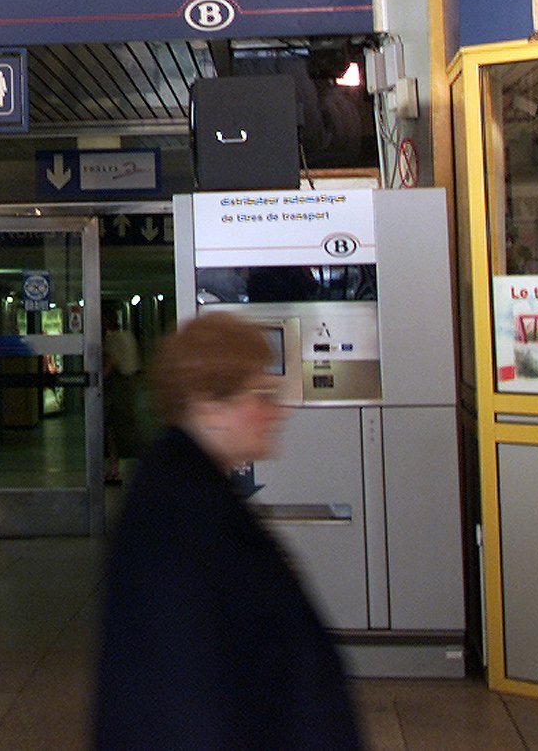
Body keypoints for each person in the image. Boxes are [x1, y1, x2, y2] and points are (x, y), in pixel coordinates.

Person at [92, 313, 362, 751]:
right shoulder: (182, 514)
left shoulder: (188, 485)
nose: (276, 412)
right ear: (207, 406)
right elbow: (182, 692)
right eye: (259, 395)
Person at [100, 303, 143, 484]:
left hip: (118, 387)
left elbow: (111, 364)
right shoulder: (129, 336)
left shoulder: (113, 339)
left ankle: (115, 470)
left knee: (115, 430)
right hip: (130, 383)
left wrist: (93, 383)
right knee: (125, 427)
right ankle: (117, 469)